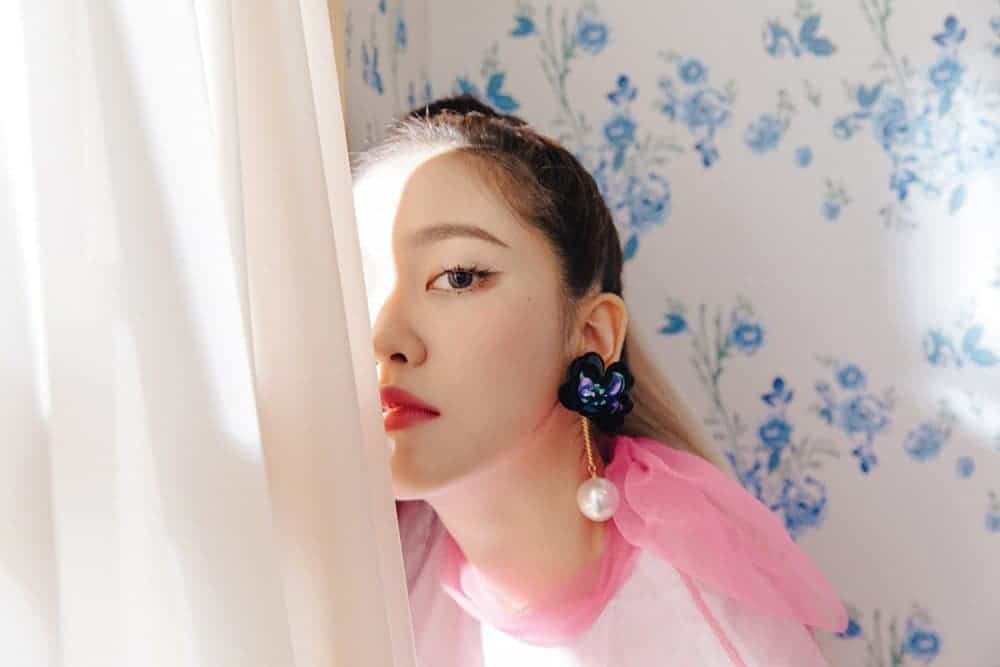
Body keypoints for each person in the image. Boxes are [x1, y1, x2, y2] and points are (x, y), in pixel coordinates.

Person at [351, 94, 848, 666]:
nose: (382, 336)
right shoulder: (369, 575)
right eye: (356, 284)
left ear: (591, 334)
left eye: (458, 276)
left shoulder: (700, 631)